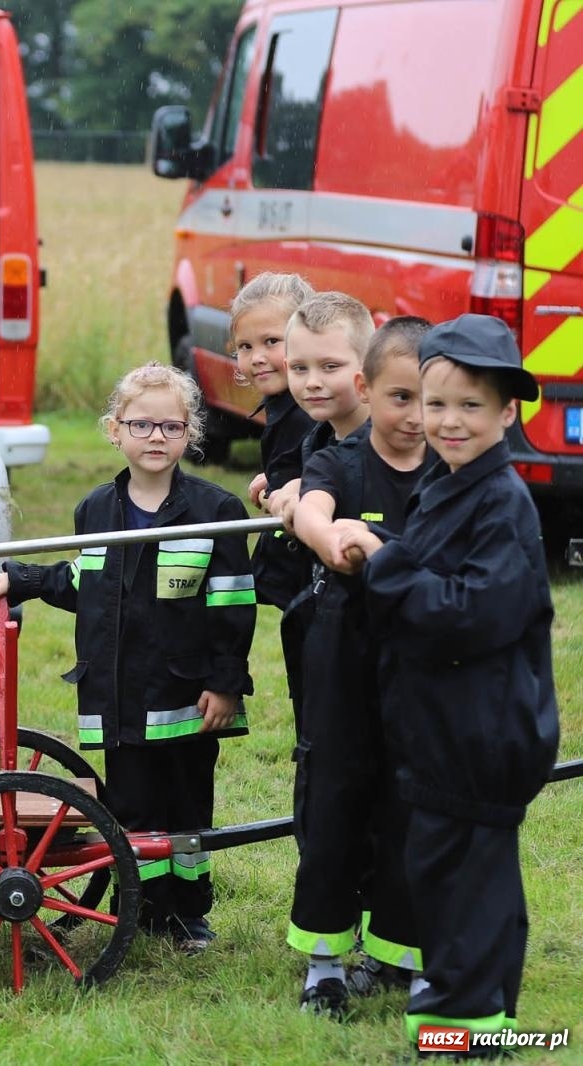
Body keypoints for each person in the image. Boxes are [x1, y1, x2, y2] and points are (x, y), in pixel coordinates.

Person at [0, 362, 256, 953]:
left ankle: (187, 912)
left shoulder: (217, 511)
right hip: (116, 696)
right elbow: (87, 585)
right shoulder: (95, 512)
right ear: (115, 431)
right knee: (130, 809)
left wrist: (226, 683)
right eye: (142, 424)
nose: (156, 437)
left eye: (171, 427)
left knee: (185, 809)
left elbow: (234, 606)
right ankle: (144, 906)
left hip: (184, 697)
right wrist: (23, 580)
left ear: (190, 434)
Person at [336, 315, 558, 1051]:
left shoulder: (502, 503)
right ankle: (462, 1009)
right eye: (435, 404)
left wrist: (381, 560)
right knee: (442, 872)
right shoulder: (450, 482)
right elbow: (428, 562)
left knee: (469, 885)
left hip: (483, 735)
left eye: (470, 406)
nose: (448, 421)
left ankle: (468, 1030)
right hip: (442, 731)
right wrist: (386, 548)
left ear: (506, 412)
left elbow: (469, 613)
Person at [282, 317, 430, 1016]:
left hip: (424, 660)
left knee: (415, 805)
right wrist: (329, 534)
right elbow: (311, 512)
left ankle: (406, 954)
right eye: (402, 398)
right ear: (367, 390)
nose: (418, 417)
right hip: (343, 655)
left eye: (435, 401)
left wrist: (381, 545)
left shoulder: (452, 473)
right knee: (335, 800)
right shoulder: (339, 463)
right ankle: (324, 963)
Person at [262, 292, 374, 737]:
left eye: (330, 367)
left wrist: (299, 495)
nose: (312, 382)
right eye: (299, 367)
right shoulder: (317, 440)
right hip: (324, 629)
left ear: (367, 370)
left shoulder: (387, 447)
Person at [232, 272, 316, 610]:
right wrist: (278, 476)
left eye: (271, 341)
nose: (257, 358)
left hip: (318, 570)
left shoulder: (310, 409)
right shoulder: (284, 406)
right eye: (245, 346)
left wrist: (287, 490)